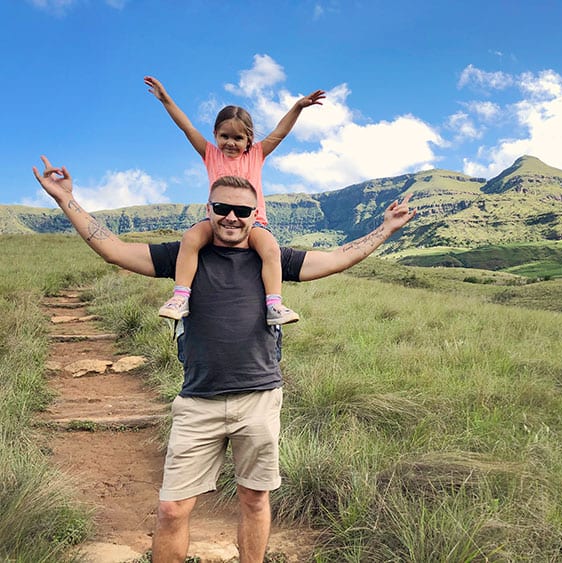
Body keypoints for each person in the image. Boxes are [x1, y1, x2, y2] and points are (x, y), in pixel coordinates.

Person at [33, 156, 415, 563]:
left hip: (260, 399)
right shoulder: (184, 254)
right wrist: (66, 199)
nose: (231, 217)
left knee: (254, 499)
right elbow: (113, 250)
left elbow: (339, 257)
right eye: (221, 208)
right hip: (198, 401)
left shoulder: (271, 257)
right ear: (208, 209)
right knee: (172, 508)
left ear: (255, 215)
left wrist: (385, 229)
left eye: (242, 211)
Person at [144, 75, 326, 325]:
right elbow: (187, 127)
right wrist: (166, 100)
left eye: (238, 138)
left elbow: (280, 133)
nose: (230, 143)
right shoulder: (210, 153)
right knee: (190, 239)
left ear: (248, 139)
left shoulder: (257, 154)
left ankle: (274, 304)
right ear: (215, 135)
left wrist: (297, 107)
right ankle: (180, 297)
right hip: (216, 221)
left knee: (271, 249)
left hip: (254, 222)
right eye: (224, 136)